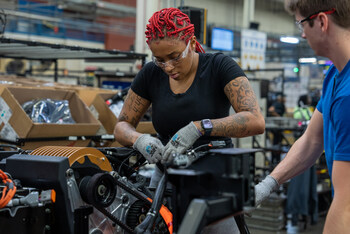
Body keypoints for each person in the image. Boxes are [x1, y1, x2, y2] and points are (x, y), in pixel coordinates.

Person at [114, 7, 265, 233]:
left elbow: (255, 120)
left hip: (212, 176)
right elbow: (121, 126)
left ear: (192, 43)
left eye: (175, 57)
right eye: (160, 60)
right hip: (167, 176)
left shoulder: (219, 67)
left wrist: (200, 127)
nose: (168, 67)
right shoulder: (150, 74)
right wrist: (140, 140)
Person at [255, 1, 350, 233]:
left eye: (301, 25)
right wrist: (268, 184)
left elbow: (347, 205)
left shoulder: (348, 95)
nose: (303, 35)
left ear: (321, 21)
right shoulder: (334, 77)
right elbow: (311, 141)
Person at [285, 94, 317, 233]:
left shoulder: (310, 110)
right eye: (308, 99)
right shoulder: (299, 111)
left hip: (309, 144)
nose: (310, 100)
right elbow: (298, 124)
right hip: (301, 142)